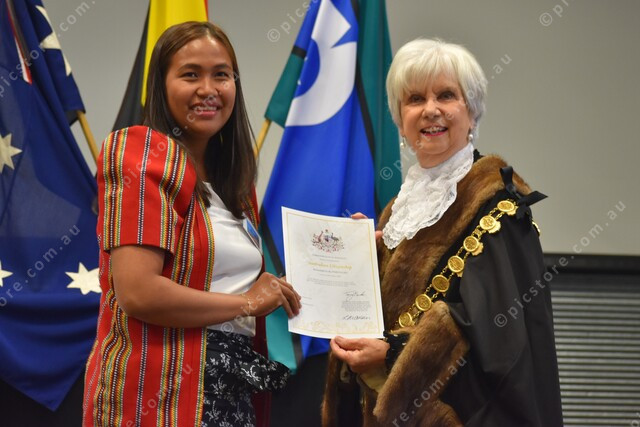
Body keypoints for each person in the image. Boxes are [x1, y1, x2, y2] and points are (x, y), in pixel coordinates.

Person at [321, 39, 563, 426]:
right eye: (415, 98)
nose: (430, 109)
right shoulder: (397, 211)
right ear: (400, 119)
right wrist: (358, 264)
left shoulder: (500, 207)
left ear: (472, 112)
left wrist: (394, 355)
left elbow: (504, 346)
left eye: (446, 95)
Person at [83, 21, 301, 427]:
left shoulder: (236, 187)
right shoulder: (141, 153)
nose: (208, 89)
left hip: (232, 392)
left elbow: (233, 284)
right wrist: (247, 303)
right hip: (161, 396)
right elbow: (138, 292)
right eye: (190, 74)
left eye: (221, 74)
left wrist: (355, 252)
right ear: (161, 86)